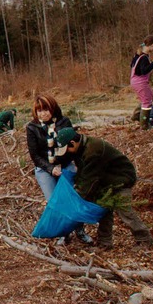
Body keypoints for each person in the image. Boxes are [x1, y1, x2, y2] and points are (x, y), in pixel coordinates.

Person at [54, 128, 153, 249]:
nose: (67, 152)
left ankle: (144, 239)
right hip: (105, 180)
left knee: (124, 210)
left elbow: (89, 180)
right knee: (104, 210)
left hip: (121, 179)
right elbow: (84, 173)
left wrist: (78, 199)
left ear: (73, 143)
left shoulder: (93, 150)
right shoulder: (80, 148)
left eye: (67, 149)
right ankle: (104, 243)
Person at [26, 95, 93, 245]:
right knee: (55, 201)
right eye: (39, 111)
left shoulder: (64, 122)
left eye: (46, 109)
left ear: (53, 108)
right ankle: (64, 233)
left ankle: (80, 230)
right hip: (44, 169)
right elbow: (35, 155)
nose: (43, 113)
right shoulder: (32, 127)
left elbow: (73, 145)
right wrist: (50, 169)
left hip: (65, 165)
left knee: (72, 198)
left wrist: (75, 165)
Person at [130, 35, 153, 130]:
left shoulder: (139, 54)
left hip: (136, 81)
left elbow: (132, 65)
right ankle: (144, 125)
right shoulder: (143, 57)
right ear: (152, 45)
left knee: (151, 98)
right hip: (140, 82)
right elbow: (144, 71)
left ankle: (136, 116)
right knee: (147, 102)